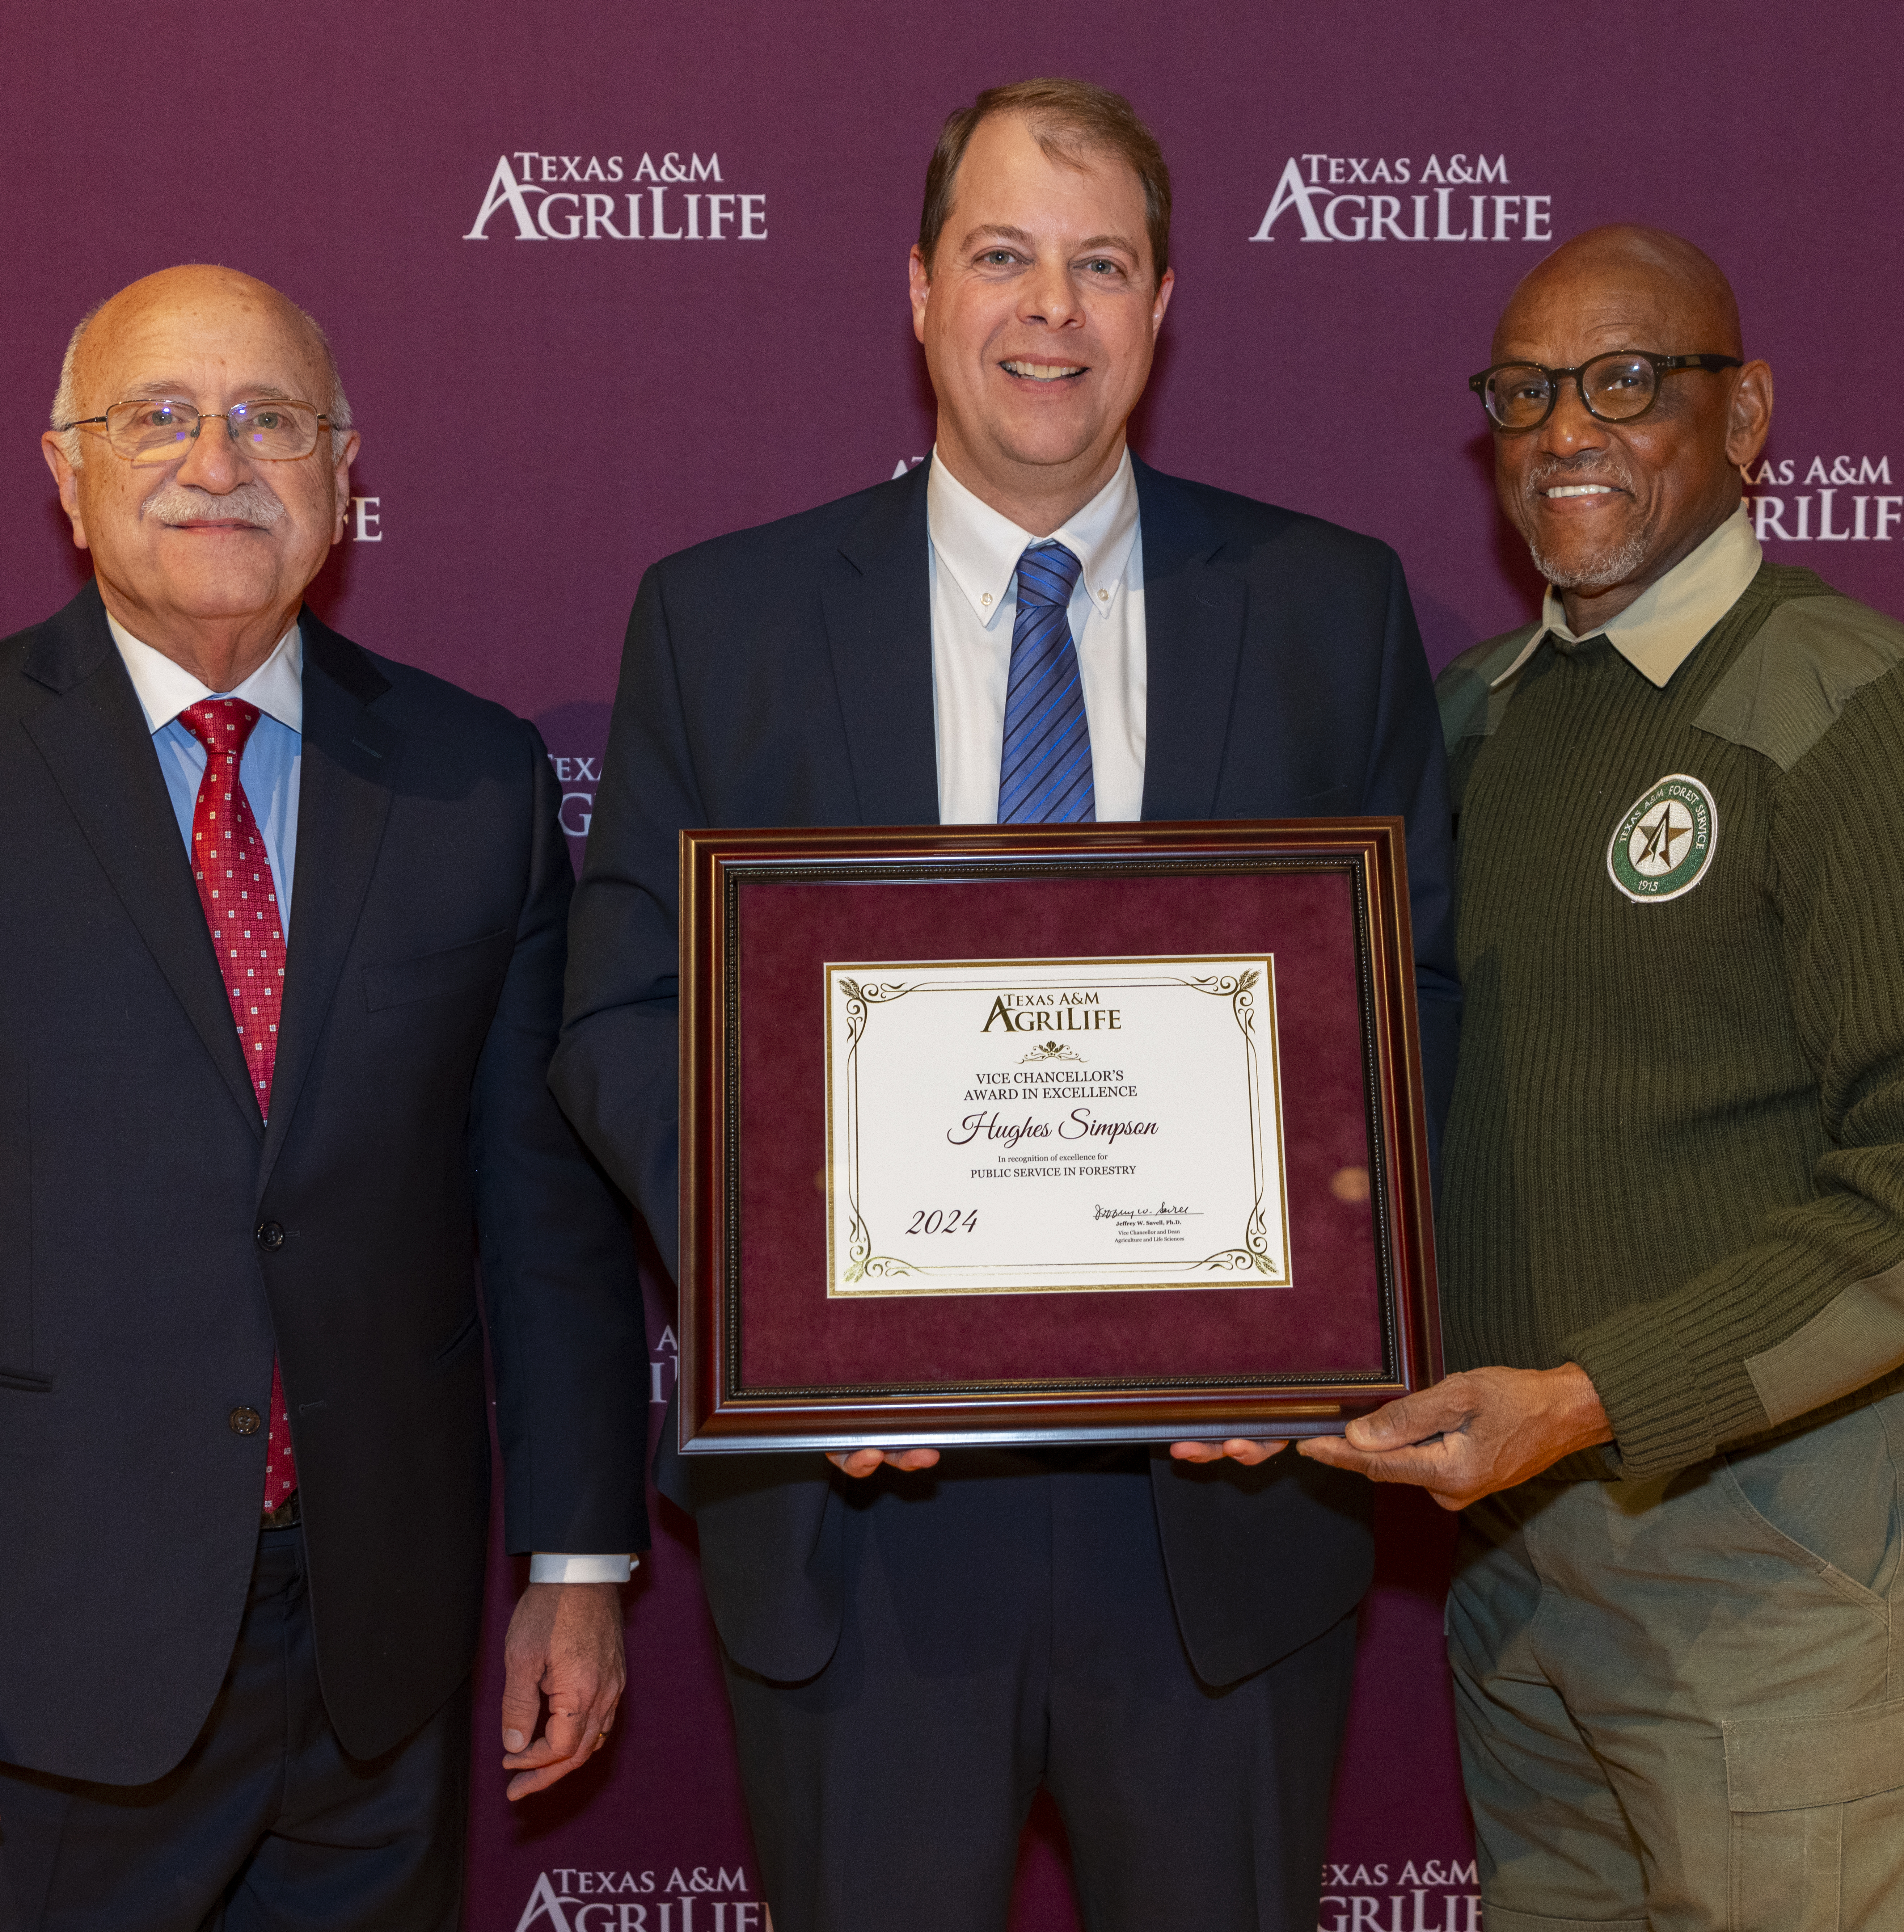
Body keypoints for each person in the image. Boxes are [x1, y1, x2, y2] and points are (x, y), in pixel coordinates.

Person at [552, 79, 1457, 1932]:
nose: (1052, 310)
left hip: (1222, 1512)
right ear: (916, 290)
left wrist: (1311, 1303)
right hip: (860, 1516)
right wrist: (790, 1301)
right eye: (1003, 258)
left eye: (1101, 265)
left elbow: (1412, 998)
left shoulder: (1328, 608)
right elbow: (620, 1015)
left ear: (1163, 307)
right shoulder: (718, 623)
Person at [0, 265, 653, 1932]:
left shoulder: (474, 782)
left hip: (373, 1661)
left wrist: (576, 1564)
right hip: (48, 1651)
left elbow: (540, 1211)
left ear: (343, 470)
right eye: (158, 417)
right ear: (65, 473)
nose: (217, 460)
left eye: (270, 420)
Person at [1301, 224, 1904, 1928]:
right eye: (1524, 393)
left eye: (1628, 382)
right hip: (1518, 1581)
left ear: (1748, 422)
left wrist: (1590, 1396)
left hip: (1775, 1590)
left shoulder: (1858, 709)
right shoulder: (1473, 723)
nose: (1566, 429)